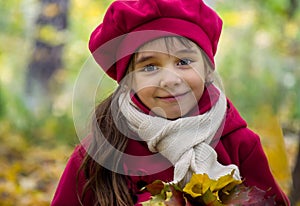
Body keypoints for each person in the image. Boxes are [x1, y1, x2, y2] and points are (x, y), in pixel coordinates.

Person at [51, 0, 290, 205]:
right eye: (150, 66)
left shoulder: (238, 143)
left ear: (207, 70)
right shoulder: (99, 152)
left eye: (184, 61)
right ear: (128, 82)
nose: (170, 79)